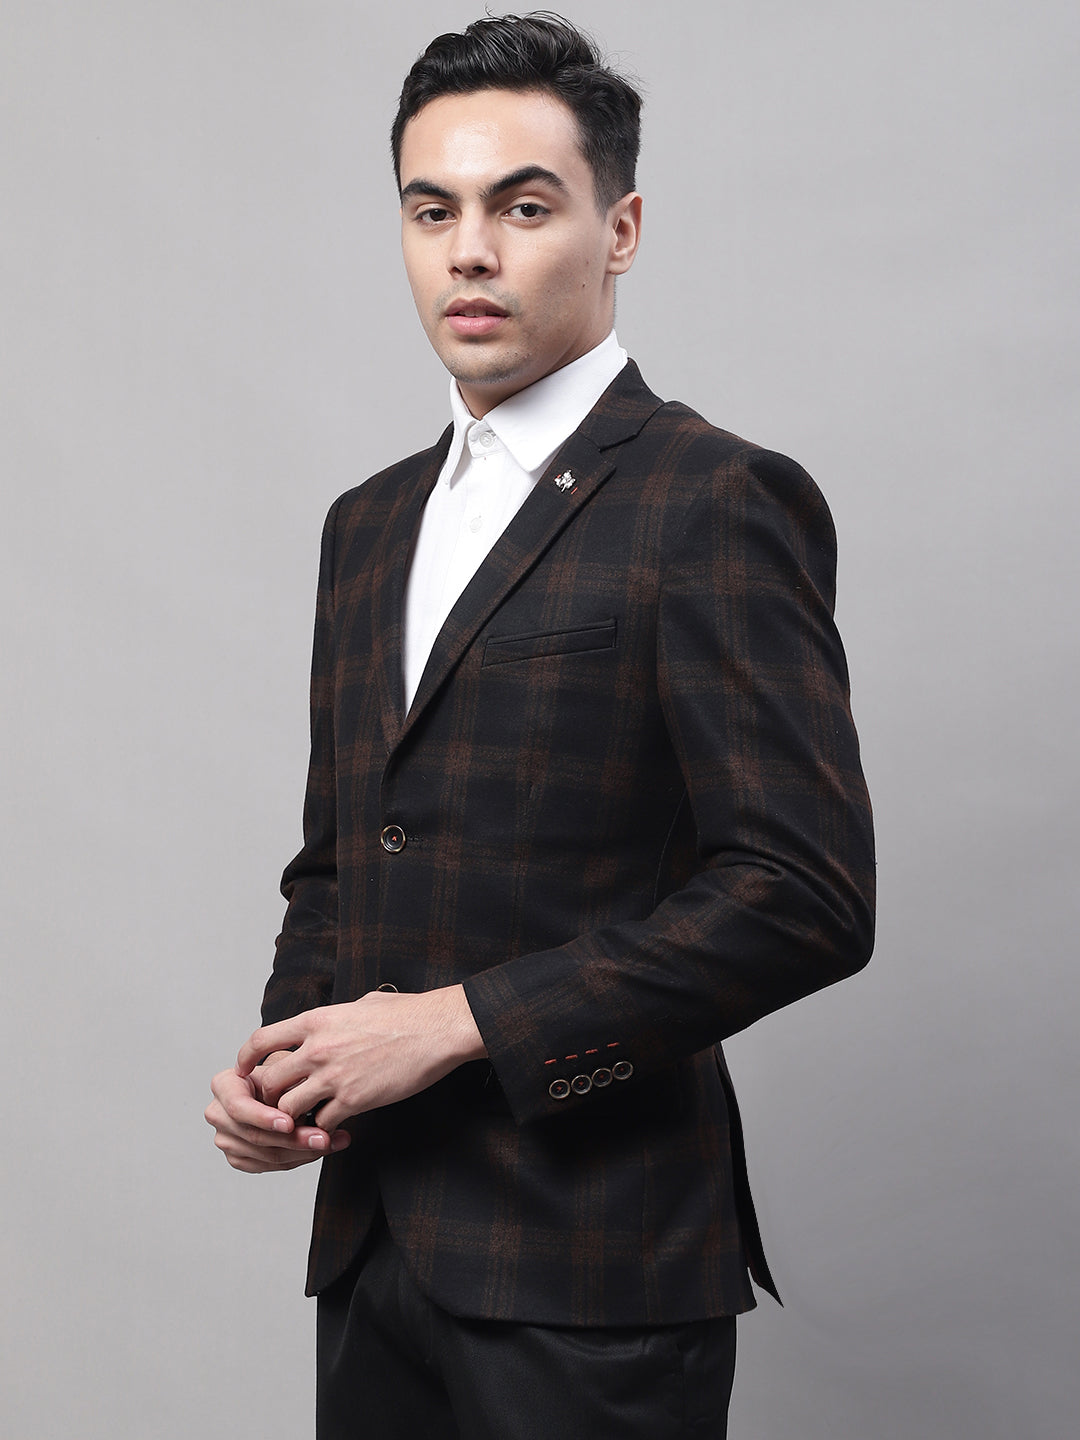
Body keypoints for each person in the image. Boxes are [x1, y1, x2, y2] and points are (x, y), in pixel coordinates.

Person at [205, 13, 875, 1438]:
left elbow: (803, 893)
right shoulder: (367, 524)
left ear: (618, 230)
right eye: (431, 211)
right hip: (374, 1246)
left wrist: (455, 1026)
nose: (469, 253)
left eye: (521, 207)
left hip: (597, 1268)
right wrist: (291, 1064)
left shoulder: (712, 498)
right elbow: (343, 857)